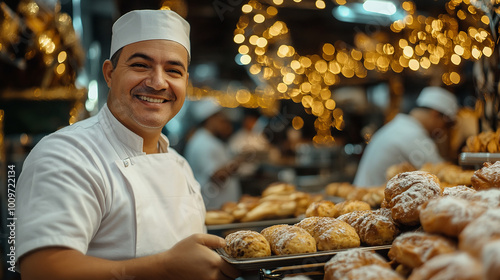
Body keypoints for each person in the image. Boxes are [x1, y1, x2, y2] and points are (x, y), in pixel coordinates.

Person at [15, 9, 240, 280]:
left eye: (173, 70)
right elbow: (42, 270)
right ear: (109, 74)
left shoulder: (180, 166)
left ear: (185, 83)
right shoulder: (67, 154)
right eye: (141, 65)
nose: (158, 82)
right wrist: (163, 268)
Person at [353, 86, 459, 187]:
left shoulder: (400, 127)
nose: (444, 131)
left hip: (364, 194)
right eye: (446, 125)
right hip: (369, 202)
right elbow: (444, 174)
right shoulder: (412, 135)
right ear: (435, 114)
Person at [184, 99, 242, 210]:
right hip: (214, 208)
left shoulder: (207, 139)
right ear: (211, 119)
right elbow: (217, 176)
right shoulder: (202, 143)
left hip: (221, 207)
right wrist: (239, 161)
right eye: (221, 118)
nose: (224, 122)